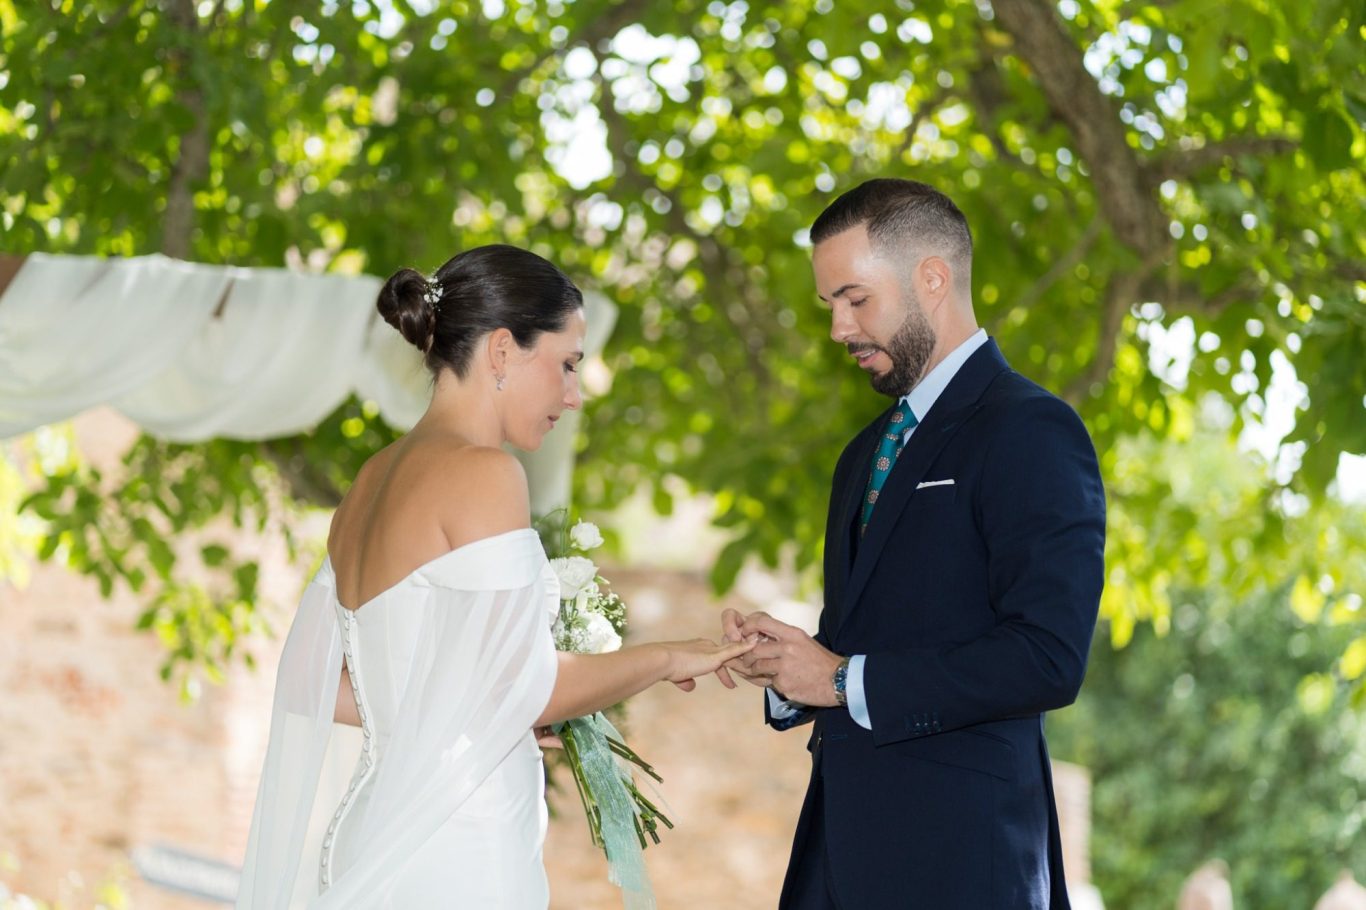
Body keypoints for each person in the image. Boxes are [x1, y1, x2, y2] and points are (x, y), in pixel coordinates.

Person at [236, 244, 753, 908]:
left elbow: (310, 682)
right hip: (455, 845)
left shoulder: (369, 483)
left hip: (371, 835)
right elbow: (528, 688)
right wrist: (669, 656)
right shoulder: (484, 474)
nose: (574, 395)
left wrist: (463, 717)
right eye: (567, 364)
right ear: (503, 351)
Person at [721, 179, 1106, 909]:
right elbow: (862, 644)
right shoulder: (863, 455)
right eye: (829, 305)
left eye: (855, 299)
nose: (838, 328)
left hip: (965, 866)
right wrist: (789, 664)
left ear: (931, 278)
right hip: (835, 861)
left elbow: (1048, 658)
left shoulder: (1031, 430)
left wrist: (839, 680)